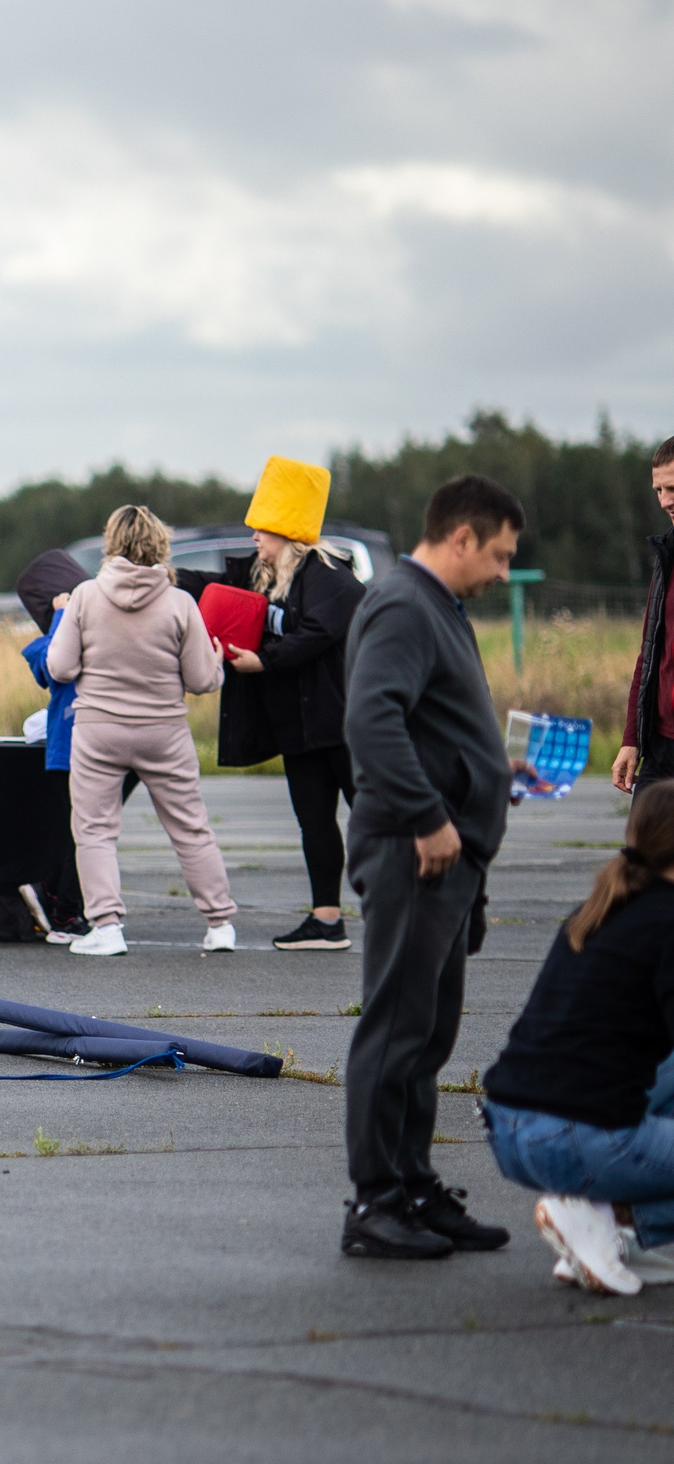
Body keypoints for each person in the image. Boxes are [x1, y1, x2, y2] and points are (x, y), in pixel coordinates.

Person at [337, 474, 523, 1261]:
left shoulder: (437, 608)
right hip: (416, 851)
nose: (504, 574)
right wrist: (430, 818)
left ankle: (412, 1184)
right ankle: (375, 1202)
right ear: (463, 538)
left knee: (429, 1031)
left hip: (452, 858)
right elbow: (371, 717)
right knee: (395, 1029)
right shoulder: (404, 605)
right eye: (502, 556)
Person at [479, 781, 674, 1295]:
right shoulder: (668, 921)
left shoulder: (598, 908)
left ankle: (609, 1236)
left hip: (507, 1128)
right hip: (573, 1142)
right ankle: (597, 1215)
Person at [178, 457, 365, 950]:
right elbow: (213, 588)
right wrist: (165, 573)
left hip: (341, 723)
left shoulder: (331, 578)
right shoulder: (261, 577)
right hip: (299, 728)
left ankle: (406, 909)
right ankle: (327, 921)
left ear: (287, 533)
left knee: (372, 818)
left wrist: (266, 660)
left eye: (262, 530)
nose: (255, 538)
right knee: (314, 823)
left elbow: (319, 632)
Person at [44, 505, 237, 957]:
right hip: (164, 730)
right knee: (191, 828)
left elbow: (59, 666)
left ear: (112, 542)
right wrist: (215, 658)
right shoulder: (180, 603)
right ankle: (219, 923)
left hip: (98, 730)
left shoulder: (86, 596)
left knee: (93, 830)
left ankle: (107, 927)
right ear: (160, 543)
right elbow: (202, 681)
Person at [16, 548, 134, 943]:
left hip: (99, 735)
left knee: (85, 826)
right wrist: (66, 613)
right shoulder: (58, 635)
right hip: (77, 740)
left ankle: (56, 895)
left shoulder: (95, 621)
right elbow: (55, 663)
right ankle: (64, 909)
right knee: (86, 829)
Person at [608, 437, 674, 796]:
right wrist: (631, 739)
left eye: (673, 488)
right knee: (641, 850)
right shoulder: (667, 557)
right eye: (659, 490)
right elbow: (649, 656)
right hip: (662, 749)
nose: (665, 501)